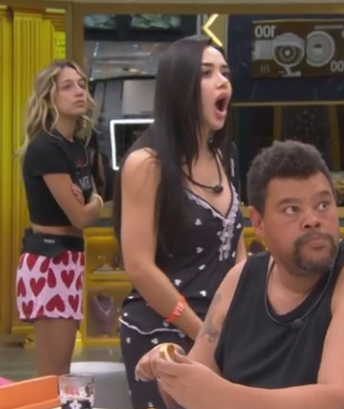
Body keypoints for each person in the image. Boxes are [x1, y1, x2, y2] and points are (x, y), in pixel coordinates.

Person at [134, 140, 344, 409]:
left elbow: (340, 402)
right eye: (291, 209)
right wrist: (171, 369)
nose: (313, 220)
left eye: (323, 205)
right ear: (258, 223)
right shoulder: (240, 280)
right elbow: (191, 398)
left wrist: (217, 395)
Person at [113, 35, 246, 409]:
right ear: (178, 86)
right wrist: (203, 334)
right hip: (162, 330)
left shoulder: (228, 156)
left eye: (225, 72)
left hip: (223, 331)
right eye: (207, 73)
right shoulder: (146, 164)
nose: (222, 82)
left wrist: (242, 318)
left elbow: (237, 248)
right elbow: (139, 266)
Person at [15, 60, 103, 377]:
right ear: (49, 97)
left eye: (81, 84)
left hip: (69, 258)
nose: (79, 91)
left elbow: (90, 199)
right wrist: (95, 204)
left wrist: (92, 203)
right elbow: (81, 215)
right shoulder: (46, 147)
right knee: (53, 372)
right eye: (68, 86)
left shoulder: (76, 146)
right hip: (50, 260)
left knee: (62, 369)